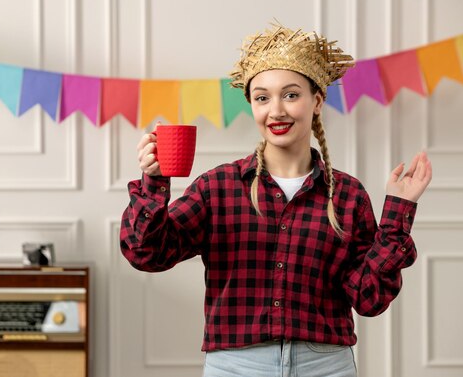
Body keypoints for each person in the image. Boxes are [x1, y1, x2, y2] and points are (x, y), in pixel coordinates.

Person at [120, 23, 432, 377]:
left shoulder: (348, 195)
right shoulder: (217, 188)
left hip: (326, 365)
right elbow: (146, 254)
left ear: (316, 101)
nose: (276, 110)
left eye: (291, 94)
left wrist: (397, 215)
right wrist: (154, 182)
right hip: (235, 366)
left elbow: (368, 298)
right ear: (252, 105)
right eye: (263, 97)